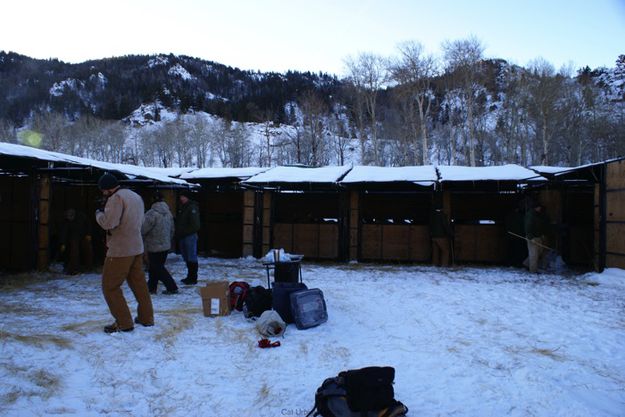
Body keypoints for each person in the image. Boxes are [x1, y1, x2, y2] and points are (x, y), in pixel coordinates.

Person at [95, 172, 154, 333]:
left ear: (107, 188)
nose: (102, 194)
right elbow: (141, 221)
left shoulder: (116, 199)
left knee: (110, 287)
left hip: (120, 250)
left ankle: (124, 322)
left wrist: (99, 214)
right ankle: (146, 317)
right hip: (136, 247)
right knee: (139, 285)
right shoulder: (136, 196)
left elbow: (109, 223)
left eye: (103, 190)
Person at [142, 192, 178, 295]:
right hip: (165, 246)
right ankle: (151, 288)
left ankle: (172, 287)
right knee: (155, 267)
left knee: (157, 268)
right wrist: (167, 240)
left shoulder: (151, 214)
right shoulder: (168, 213)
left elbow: (143, 229)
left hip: (153, 245)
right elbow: (172, 229)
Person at [175, 190, 201, 285]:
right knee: (186, 257)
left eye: (183, 197)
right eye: (181, 196)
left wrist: (184, 232)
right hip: (184, 235)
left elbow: (195, 225)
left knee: (191, 257)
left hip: (189, 236)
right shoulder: (184, 207)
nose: (181, 198)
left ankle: (193, 277)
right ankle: (190, 276)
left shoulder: (191, 207)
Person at [58, 208, 93, 275]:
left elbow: (88, 224)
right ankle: (73, 269)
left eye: (71, 217)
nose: (70, 219)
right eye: (68, 218)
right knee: (74, 251)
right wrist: (63, 243)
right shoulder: (66, 221)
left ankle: (88, 267)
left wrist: (89, 234)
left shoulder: (82, 216)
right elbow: (64, 233)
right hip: (73, 236)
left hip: (84, 235)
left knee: (88, 249)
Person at [524, 202, 550, 273]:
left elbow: (540, 226)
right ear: (536, 207)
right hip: (532, 237)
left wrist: (541, 235)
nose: (540, 208)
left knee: (538, 253)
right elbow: (528, 227)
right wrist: (530, 237)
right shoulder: (531, 215)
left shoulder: (538, 215)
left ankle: (526, 264)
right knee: (534, 254)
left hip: (538, 237)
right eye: (539, 207)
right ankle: (533, 271)